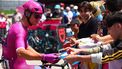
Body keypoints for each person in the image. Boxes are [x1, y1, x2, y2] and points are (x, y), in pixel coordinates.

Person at [2, 1, 59, 69]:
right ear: (27, 13)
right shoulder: (20, 30)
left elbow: (27, 47)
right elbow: (20, 52)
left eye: (40, 16)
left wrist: (42, 57)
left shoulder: (20, 26)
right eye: (37, 16)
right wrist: (43, 57)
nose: (39, 19)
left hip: (17, 65)